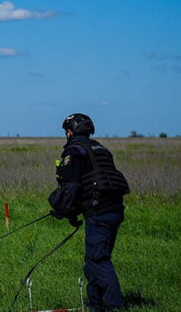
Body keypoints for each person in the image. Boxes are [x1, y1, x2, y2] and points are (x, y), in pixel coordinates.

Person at [48, 113, 130, 311]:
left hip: (99, 212)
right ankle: (96, 304)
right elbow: (91, 183)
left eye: (67, 130)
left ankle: (114, 306)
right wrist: (73, 213)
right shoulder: (101, 149)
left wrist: (63, 210)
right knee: (93, 259)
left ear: (71, 131)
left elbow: (72, 187)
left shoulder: (74, 151)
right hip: (114, 210)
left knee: (98, 260)